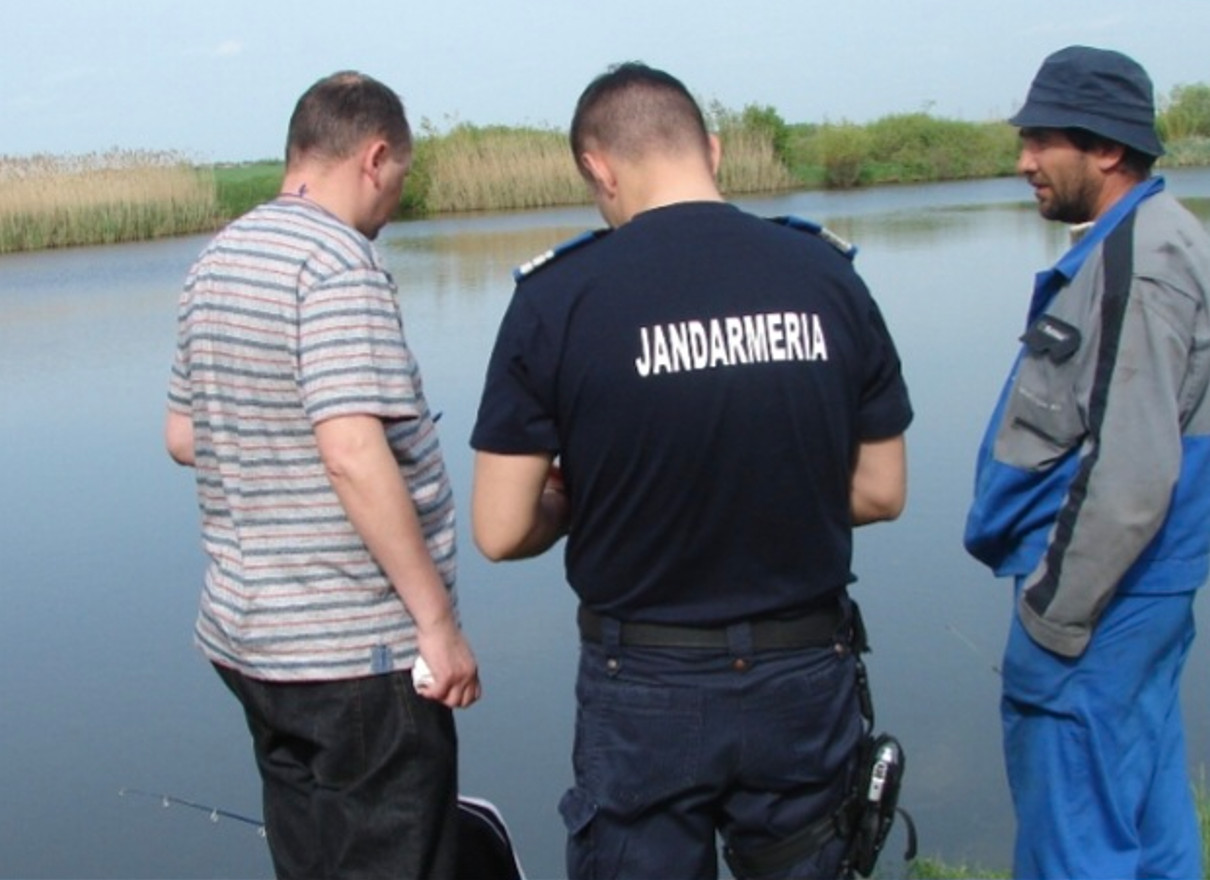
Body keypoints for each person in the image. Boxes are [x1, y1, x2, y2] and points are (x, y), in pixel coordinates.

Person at [470, 62, 912, 880]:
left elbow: (499, 530)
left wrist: (586, 501)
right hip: (802, 667)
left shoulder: (556, 299)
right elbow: (882, 491)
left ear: (599, 168)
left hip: (644, 682)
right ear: (711, 149)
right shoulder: (827, 275)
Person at [164, 71, 480, 880]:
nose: (395, 201)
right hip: (355, 654)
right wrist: (437, 625)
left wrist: (276, 440)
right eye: (401, 176)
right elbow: (350, 452)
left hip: (252, 646)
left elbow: (184, 436)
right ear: (374, 157)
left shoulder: (216, 259)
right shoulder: (336, 264)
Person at [964, 46, 1210, 879]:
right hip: (1138, 596)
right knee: (1147, 819)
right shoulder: (1152, 239)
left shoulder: (1141, 261)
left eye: (1042, 140)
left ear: (1106, 148)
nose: (1024, 160)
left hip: (1099, 609)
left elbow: (1133, 472)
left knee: (1075, 843)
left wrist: (1052, 616)